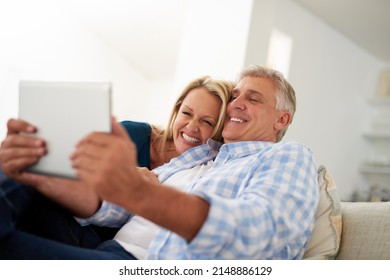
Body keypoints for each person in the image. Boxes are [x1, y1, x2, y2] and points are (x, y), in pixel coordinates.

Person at [0, 65, 319, 260]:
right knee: (29, 167)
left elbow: (260, 235)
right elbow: (112, 207)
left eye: (252, 98)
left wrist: (142, 192)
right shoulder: (198, 160)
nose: (235, 104)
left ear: (282, 119)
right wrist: (42, 174)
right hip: (101, 249)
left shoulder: (286, 156)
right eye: (234, 96)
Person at [0, 75, 234, 248]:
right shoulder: (136, 133)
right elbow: (77, 164)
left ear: (219, 131)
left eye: (207, 122)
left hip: (100, 241)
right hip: (73, 208)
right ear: (176, 110)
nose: (192, 126)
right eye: (187, 113)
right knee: (27, 165)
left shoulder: (203, 173)